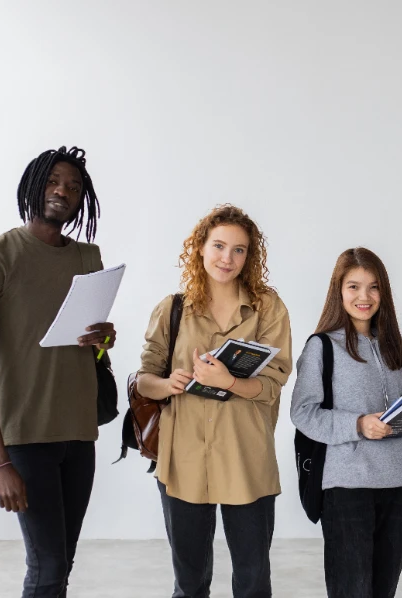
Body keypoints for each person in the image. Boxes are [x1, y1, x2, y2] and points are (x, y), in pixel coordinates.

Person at [0, 146, 116, 597]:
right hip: (25, 437)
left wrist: (103, 338)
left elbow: (91, 348)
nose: (62, 191)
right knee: (46, 568)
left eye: (73, 186)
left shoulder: (89, 258)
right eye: (52, 181)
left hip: (78, 432)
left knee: (60, 564)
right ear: (32, 185)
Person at [135, 205, 292, 598]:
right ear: (200, 248)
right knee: (188, 584)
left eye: (239, 250)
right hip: (182, 459)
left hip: (245, 456)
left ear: (249, 256)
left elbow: (274, 383)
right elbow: (144, 380)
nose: (227, 258)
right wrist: (169, 383)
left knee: (253, 582)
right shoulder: (171, 309)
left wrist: (229, 382)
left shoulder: (267, 308)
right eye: (219, 245)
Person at [291, 247, 402, 598]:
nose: (364, 297)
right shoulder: (321, 347)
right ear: (338, 291)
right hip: (347, 486)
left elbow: (401, 415)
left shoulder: (392, 345)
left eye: (373, 287)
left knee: (383, 590)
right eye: (353, 286)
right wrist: (358, 424)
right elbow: (303, 413)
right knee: (352, 591)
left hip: (400, 482)